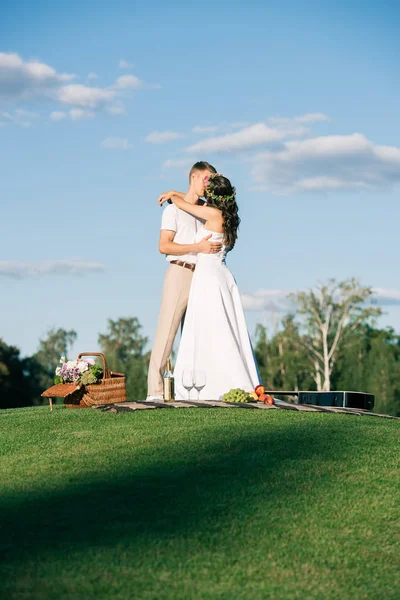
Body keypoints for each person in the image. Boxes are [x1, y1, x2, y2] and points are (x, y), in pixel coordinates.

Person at [159, 173, 261, 400]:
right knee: (222, 326)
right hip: (221, 275)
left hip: (208, 277)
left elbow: (184, 205)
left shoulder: (212, 213)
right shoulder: (226, 215)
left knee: (209, 327)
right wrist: (175, 192)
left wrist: (172, 194)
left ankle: (210, 384)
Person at [146, 161, 221, 401]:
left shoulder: (205, 209)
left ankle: (194, 390)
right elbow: (163, 246)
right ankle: (155, 392)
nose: (209, 185)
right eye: (206, 180)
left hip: (202, 277)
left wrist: (174, 194)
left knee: (195, 334)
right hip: (179, 272)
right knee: (167, 332)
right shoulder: (172, 210)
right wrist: (197, 247)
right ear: (194, 177)